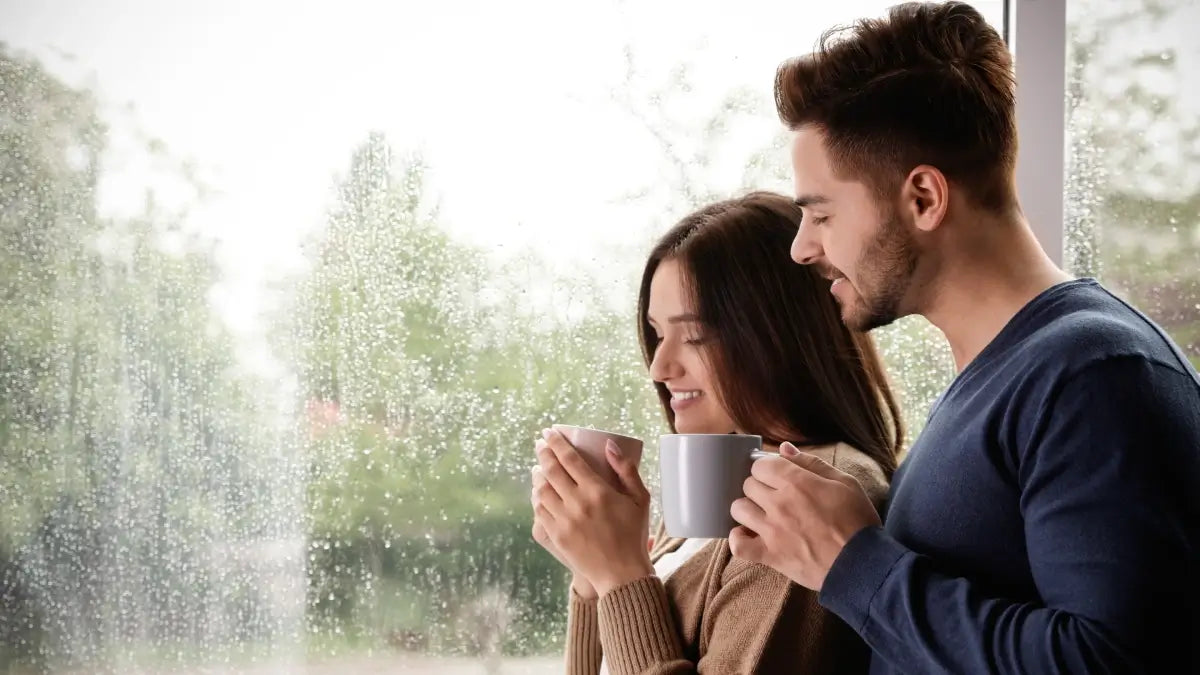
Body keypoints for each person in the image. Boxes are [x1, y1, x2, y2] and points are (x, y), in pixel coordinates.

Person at [728, 3, 1200, 673]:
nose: (802, 248)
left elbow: (1112, 661)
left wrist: (852, 562)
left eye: (821, 214)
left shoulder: (1093, 373)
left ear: (922, 196)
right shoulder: (1005, 375)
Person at [529, 191, 904, 673]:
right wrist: (592, 574)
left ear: (775, 336)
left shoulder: (808, 499)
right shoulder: (721, 477)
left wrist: (620, 576)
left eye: (694, 336)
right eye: (658, 334)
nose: (659, 367)